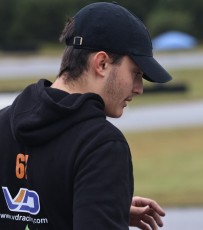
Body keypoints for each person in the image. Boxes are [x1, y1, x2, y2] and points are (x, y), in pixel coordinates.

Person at [0, 2, 172, 230]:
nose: (139, 88)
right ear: (101, 63)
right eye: (136, 73)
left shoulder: (3, 123)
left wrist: (97, 204)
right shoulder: (101, 144)